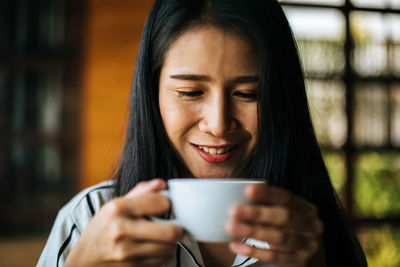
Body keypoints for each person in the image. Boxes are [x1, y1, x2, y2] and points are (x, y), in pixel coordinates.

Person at [37, 0, 368, 266]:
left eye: (248, 94)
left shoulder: (311, 231)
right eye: (191, 92)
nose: (219, 124)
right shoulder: (89, 219)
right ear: (152, 95)